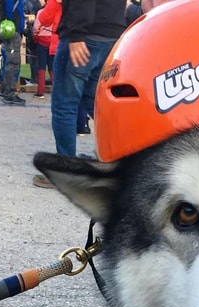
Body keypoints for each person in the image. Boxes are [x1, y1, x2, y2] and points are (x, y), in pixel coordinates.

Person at [33, 0, 125, 188]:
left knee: (64, 104)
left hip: (85, 34)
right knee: (96, 100)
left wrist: (76, 34)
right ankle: (122, 159)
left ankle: (66, 171)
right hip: (112, 33)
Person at [0, 0, 26, 105]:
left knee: (10, 62)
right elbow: (10, 12)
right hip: (13, 32)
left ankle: (5, 89)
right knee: (13, 62)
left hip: (12, 31)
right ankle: (9, 93)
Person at [33, 0, 60, 98]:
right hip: (53, 41)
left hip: (42, 41)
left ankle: (40, 91)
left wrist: (35, 37)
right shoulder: (57, 11)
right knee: (52, 67)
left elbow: (36, 27)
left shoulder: (41, 12)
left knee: (41, 67)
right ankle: (56, 90)